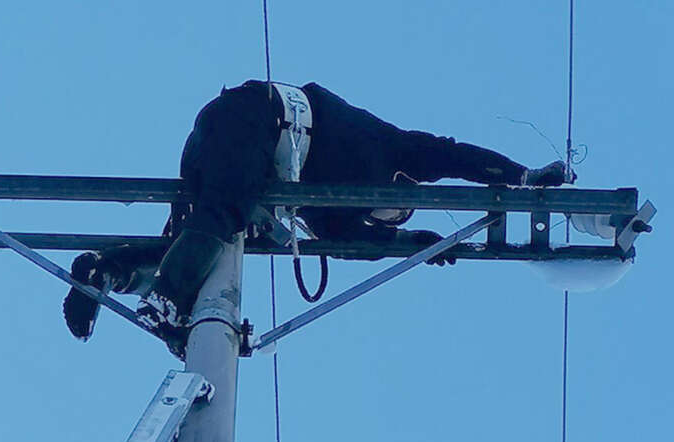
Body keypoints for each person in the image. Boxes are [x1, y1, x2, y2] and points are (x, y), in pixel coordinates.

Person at [63, 80, 573, 354]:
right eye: (393, 213)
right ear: (402, 185)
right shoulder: (394, 149)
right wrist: (522, 176)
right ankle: (166, 299)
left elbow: (355, 244)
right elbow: (454, 155)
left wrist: (417, 243)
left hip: (221, 140)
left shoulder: (329, 212)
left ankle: (106, 271)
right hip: (260, 120)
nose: (382, 218)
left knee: (197, 237)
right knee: (225, 213)